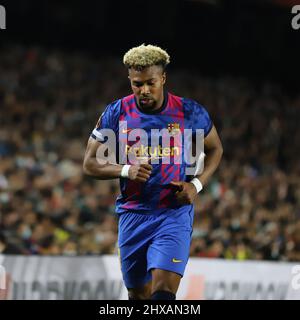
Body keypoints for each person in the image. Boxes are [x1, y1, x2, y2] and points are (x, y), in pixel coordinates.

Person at [83, 44, 223, 300]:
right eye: (137, 84)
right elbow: (89, 163)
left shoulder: (189, 111)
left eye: (150, 82)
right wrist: (126, 170)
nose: (144, 90)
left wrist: (196, 186)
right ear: (129, 80)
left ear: (163, 78)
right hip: (133, 214)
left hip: (173, 212)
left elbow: (216, 149)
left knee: (163, 291)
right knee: (138, 295)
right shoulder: (117, 111)